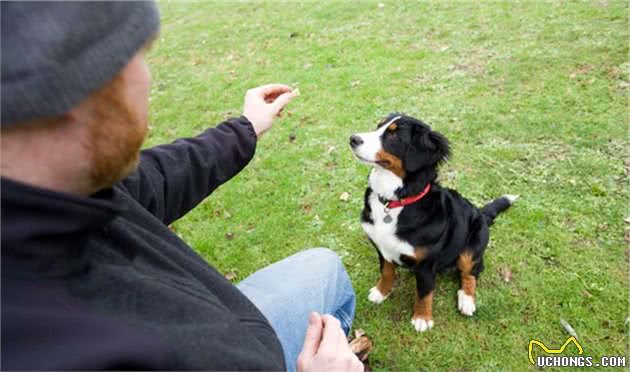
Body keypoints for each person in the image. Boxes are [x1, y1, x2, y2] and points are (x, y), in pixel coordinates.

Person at [1, 2, 363, 371]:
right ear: (75, 92)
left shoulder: (52, 193)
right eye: (139, 57)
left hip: (238, 334)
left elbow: (150, 181)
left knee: (325, 267)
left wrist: (245, 128)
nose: (148, 79)